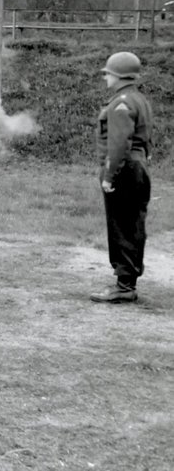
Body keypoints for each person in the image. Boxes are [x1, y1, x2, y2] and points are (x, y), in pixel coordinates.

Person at [90, 51, 153, 304]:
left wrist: (109, 175)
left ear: (118, 75)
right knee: (133, 225)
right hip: (137, 166)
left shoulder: (120, 103)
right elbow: (146, 138)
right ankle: (127, 281)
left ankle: (124, 286)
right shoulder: (139, 99)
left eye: (108, 74)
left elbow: (118, 145)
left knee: (122, 226)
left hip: (124, 169)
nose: (106, 78)